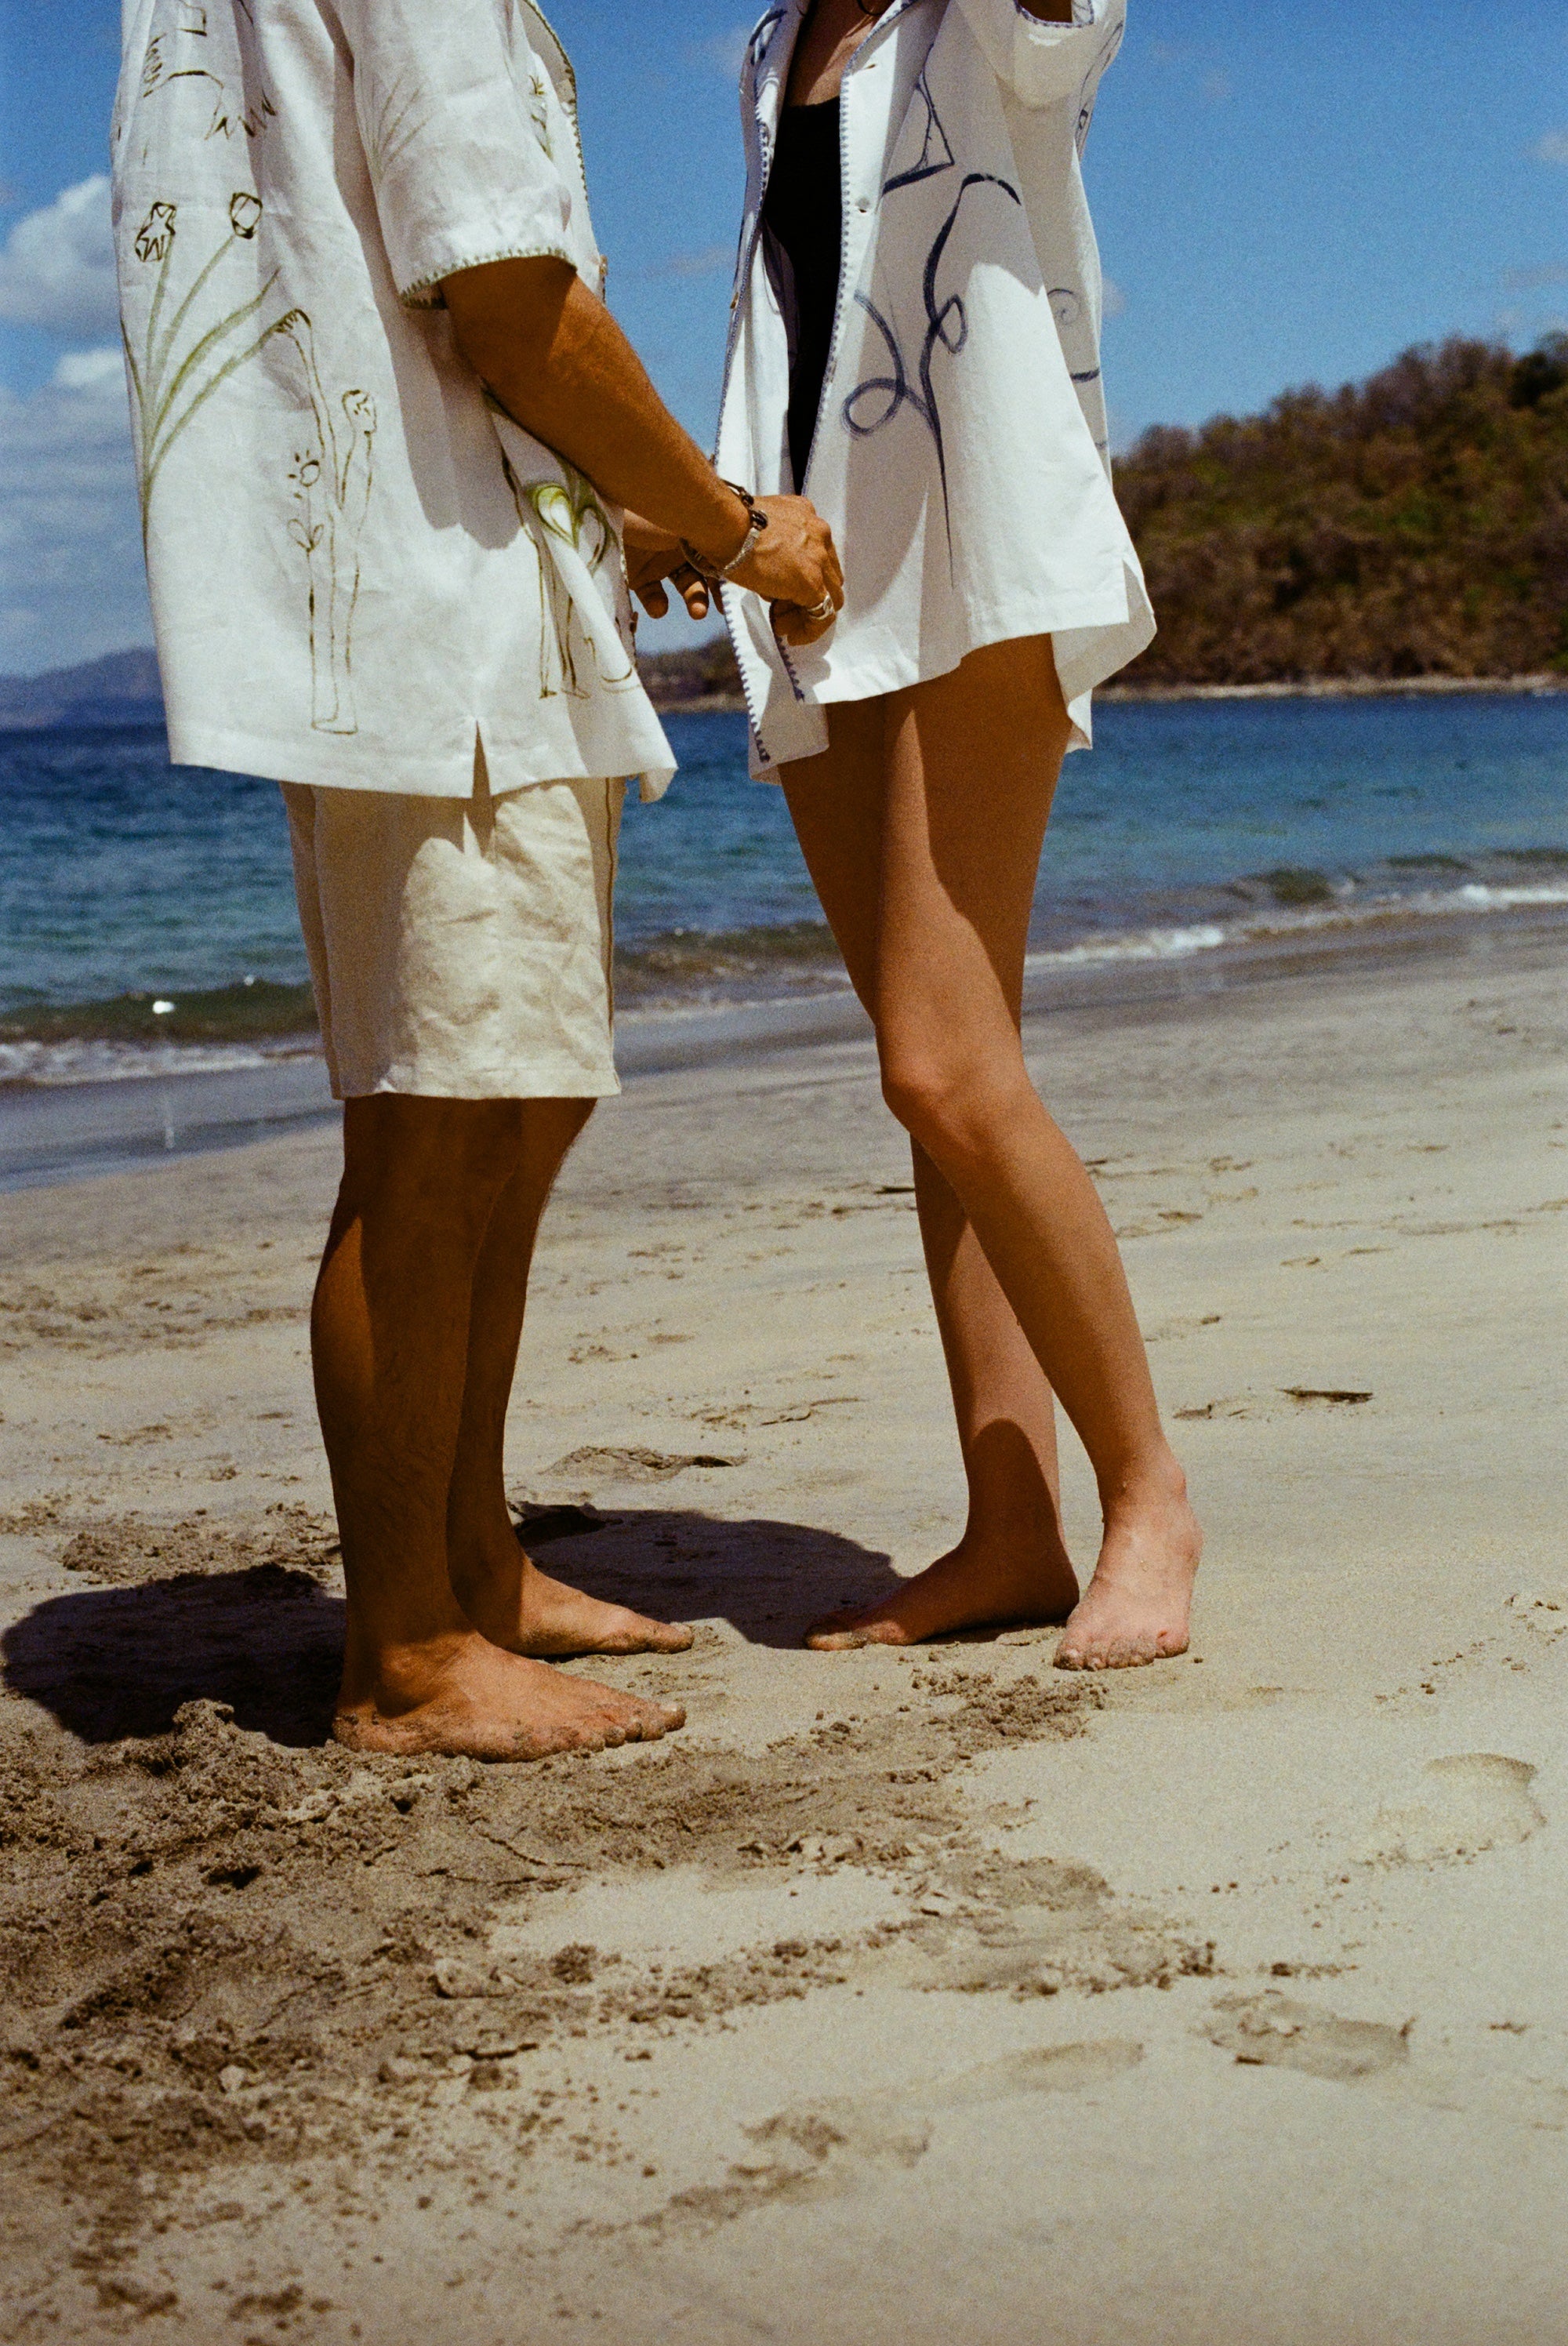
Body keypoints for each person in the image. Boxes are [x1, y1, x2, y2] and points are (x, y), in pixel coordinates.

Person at [111, 0, 842, 1759]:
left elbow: (387, 280)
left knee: (498, 1109)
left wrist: (618, 501)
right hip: (429, 613)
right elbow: (505, 291)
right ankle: (412, 1648)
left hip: (402, 569)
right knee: (436, 1129)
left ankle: (463, 1556)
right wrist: (737, 523)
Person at [714, 0, 1202, 1668]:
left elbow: (1066, 40)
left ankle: (1148, 1494)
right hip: (822, 575)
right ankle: (1010, 1527)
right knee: (948, 1078)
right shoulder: (771, 46)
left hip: (984, 536)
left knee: (938, 1064)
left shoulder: (992, 21)